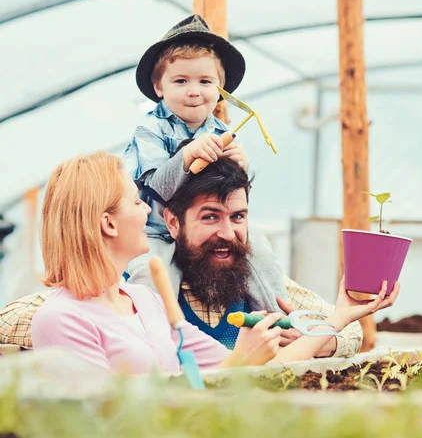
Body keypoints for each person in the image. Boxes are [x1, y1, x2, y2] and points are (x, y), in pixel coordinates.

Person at [31, 152, 399, 375]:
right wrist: (241, 362)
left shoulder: (146, 302)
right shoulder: (61, 319)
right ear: (108, 223)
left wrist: (339, 317)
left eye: (238, 217)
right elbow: (105, 423)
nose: (147, 211)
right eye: (137, 202)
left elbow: (258, 368)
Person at [122, 14, 288, 320]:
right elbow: (158, 187)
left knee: (260, 249)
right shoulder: (150, 130)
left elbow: (226, 193)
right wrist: (186, 157)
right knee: (150, 271)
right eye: (181, 81)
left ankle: (279, 320)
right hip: (156, 231)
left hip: (201, 230)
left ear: (220, 87)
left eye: (205, 81)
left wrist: (238, 168)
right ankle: (152, 337)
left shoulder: (221, 129)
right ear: (159, 86)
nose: (194, 91)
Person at [126, 155, 363, 357]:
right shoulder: (139, 293)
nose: (228, 234)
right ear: (173, 222)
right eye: (210, 217)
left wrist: (311, 341)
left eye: (238, 217)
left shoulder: (261, 283)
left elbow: (352, 330)